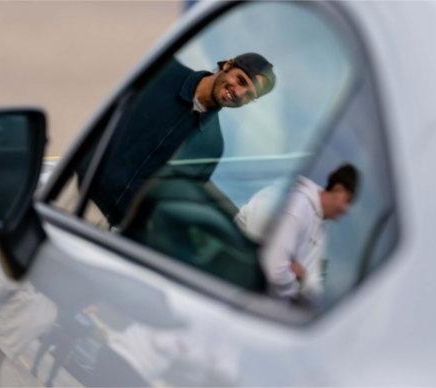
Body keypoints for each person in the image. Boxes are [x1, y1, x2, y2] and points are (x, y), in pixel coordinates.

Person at [81, 53, 276, 226]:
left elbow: (174, 204)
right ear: (228, 65)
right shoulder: (161, 71)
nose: (239, 93)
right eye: (241, 81)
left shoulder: (212, 146)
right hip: (78, 195)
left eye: (249, 95)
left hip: (119, 233)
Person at [235, 164, 359, 304]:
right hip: (245, 294)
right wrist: (298, 285)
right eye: (348, 201)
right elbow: (275, 268)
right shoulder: (295, 206)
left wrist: (303, 279)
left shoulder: (321, 228)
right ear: (338, 189)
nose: (347, 210)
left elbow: (314, 285)